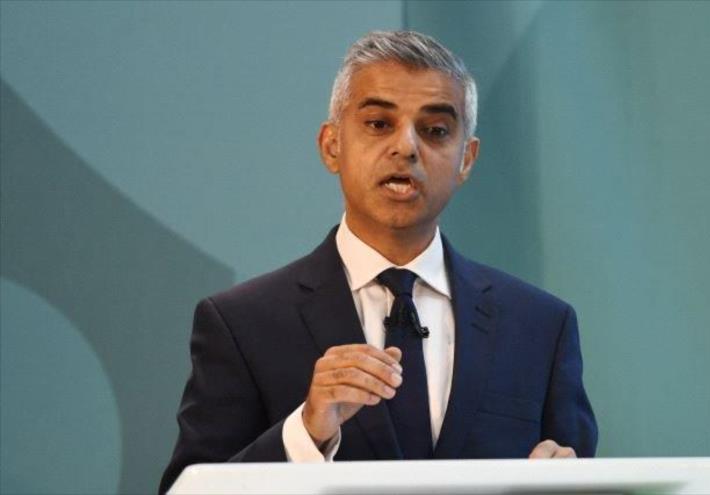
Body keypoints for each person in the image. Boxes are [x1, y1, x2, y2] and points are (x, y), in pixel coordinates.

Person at [159, 30, 598, 493]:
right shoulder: (241, 323)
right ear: (331, 145)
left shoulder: (540, 327)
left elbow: (586, 475)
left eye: (435, 131)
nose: (406, 147)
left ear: (466, 159)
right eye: (378, 124)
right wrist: (304, 433)